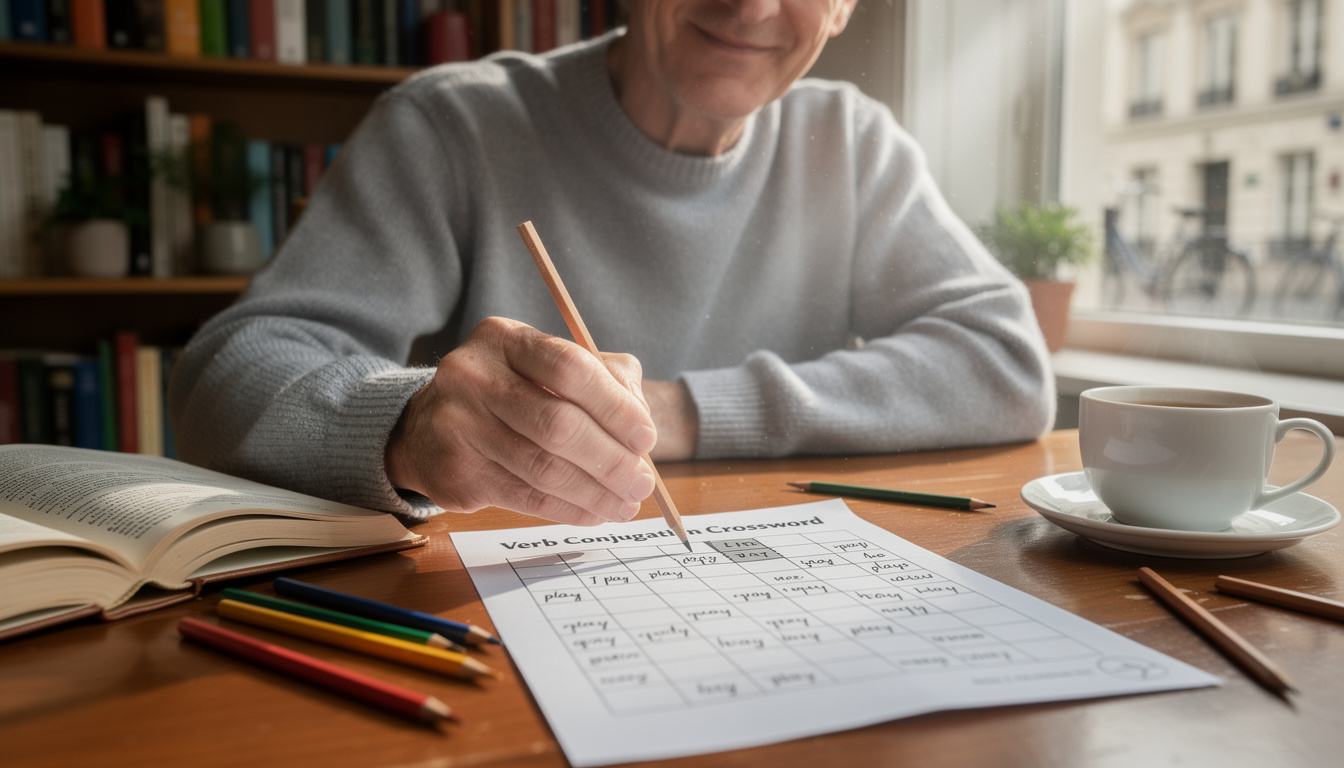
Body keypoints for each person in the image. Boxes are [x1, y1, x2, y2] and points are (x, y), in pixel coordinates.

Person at [168, 0, 1056, 529]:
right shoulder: (452, 125)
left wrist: (679, 414)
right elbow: (222, 378)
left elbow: (1007, 362)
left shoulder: (852, 142)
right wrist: (406, 424)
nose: (749, 8)